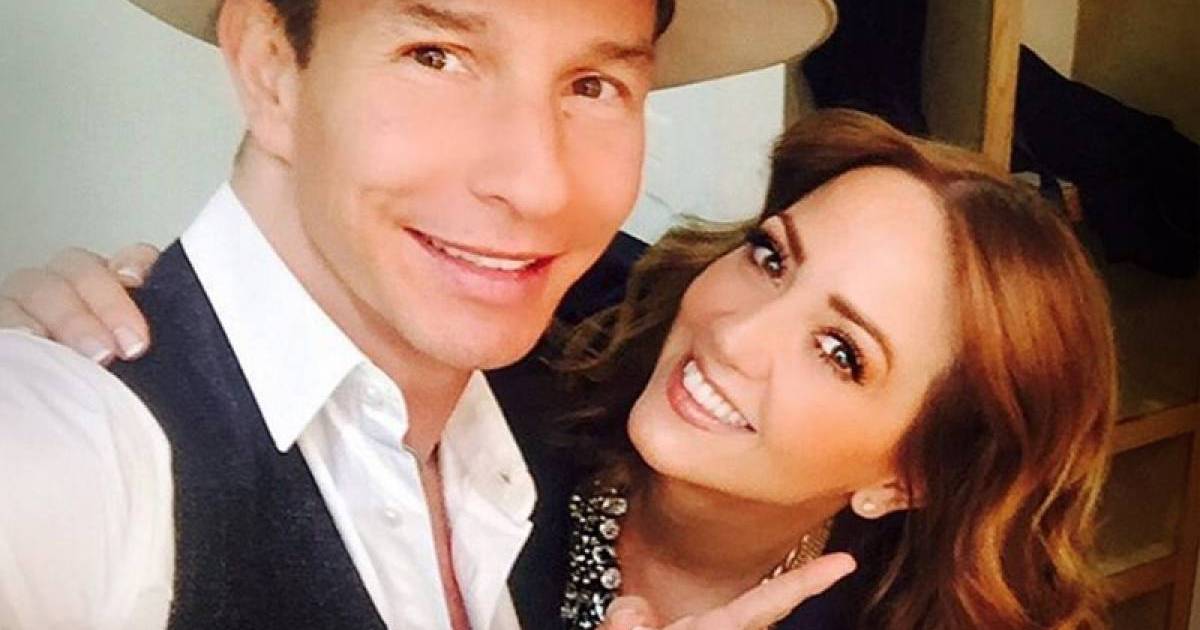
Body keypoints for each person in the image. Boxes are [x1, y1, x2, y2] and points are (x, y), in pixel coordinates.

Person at [3, 110, 1117, 629]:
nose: (735, 332)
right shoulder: (509, 365)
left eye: (840, 351)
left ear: (908, 476)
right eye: (772, 257)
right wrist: (128, 320)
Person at [0, 0, 840, 629]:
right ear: (271, 69)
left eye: (593, 85)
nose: (538, 185)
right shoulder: (67, 455)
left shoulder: (544, 419)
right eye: (435, 56)